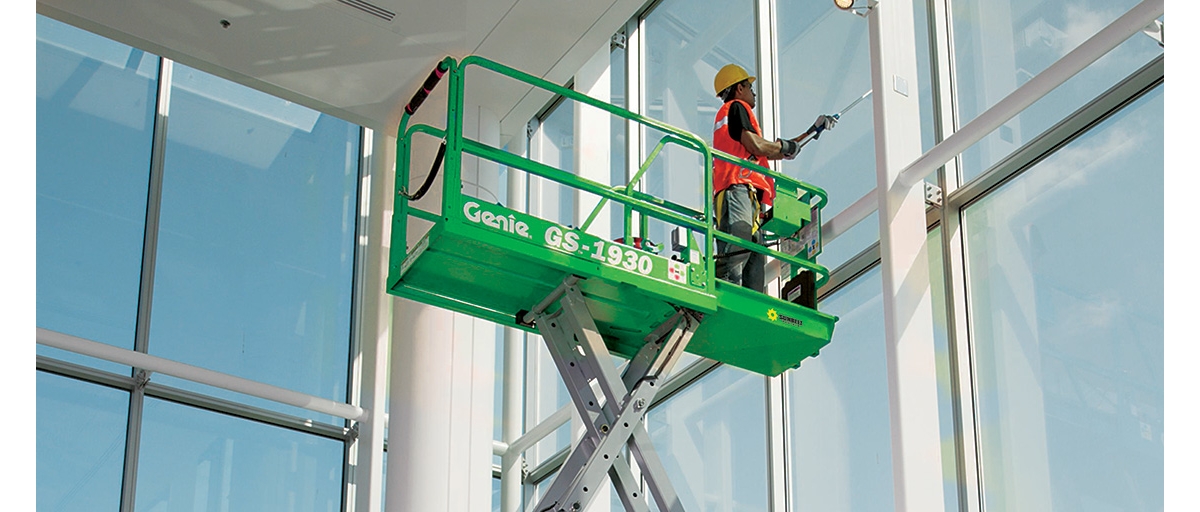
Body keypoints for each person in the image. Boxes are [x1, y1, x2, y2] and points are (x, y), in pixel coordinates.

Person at [710, 63, 835, 292]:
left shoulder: (734, 115)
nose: (753, 92)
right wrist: (785, 146)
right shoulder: (736, 107)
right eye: (750, 87)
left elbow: (774, 151)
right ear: (739, 88)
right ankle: (725, 293)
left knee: (753, 261)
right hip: (736, 188)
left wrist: (811, 132)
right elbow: (757, 145)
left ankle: (748, 307)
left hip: (748, 196)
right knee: (738, 252)